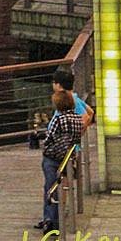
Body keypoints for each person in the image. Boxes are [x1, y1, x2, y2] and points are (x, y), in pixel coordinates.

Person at [36, 90, 83, 233]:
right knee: (59, 187)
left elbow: (49, 137)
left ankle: (50, 220)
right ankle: (56, 219)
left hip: (53, 157)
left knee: (50, 187)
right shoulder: (77, 119)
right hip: (67, 157)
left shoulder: (58, 119)